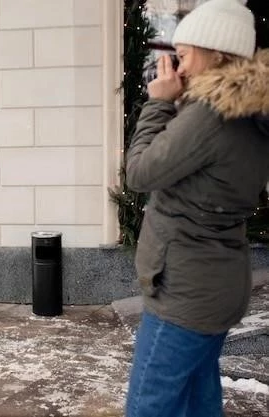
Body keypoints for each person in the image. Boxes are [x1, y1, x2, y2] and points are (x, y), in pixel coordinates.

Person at [124, 0, 269, 415]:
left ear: (215, 54)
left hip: (184, 294)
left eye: (184, 56)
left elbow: (139, 172)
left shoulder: (208, 116)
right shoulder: (248, 112)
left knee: (148, 405)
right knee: (199, 398)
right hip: (217, 286)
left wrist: (158, 102)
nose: (179, 68)